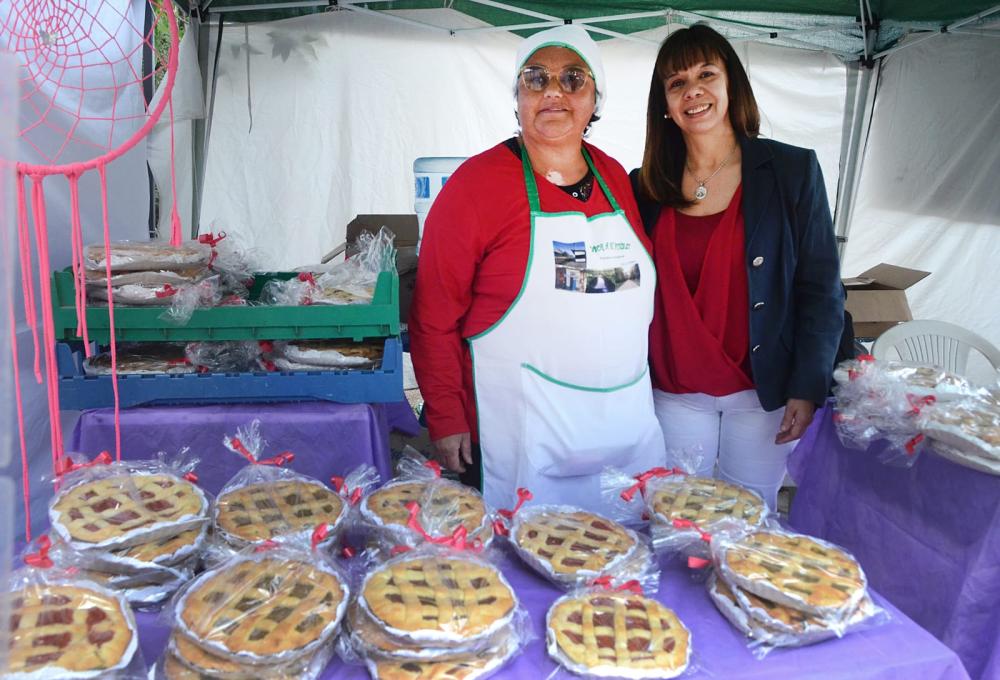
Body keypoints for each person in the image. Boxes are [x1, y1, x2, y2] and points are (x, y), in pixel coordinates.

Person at [410, 25, 665, 512]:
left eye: (573, 79)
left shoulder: (614, 175)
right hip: (524, 441)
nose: (554, 91)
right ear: (517, 98)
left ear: (595, 100)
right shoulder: (475, 186)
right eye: (536, 78)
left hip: (624, 434)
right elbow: (433, 315)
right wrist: (447, 415)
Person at [630, 25, 844, 509]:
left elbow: (821, 289)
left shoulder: (791, 171)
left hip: (760, 394)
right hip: (673, 393)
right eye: (677, 82)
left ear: (732, 85)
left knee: (749, 523)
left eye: (707, 73)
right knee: (675, 522)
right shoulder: (644, 187)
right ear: (664, 103)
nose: (694, 91)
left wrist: (809, 385)